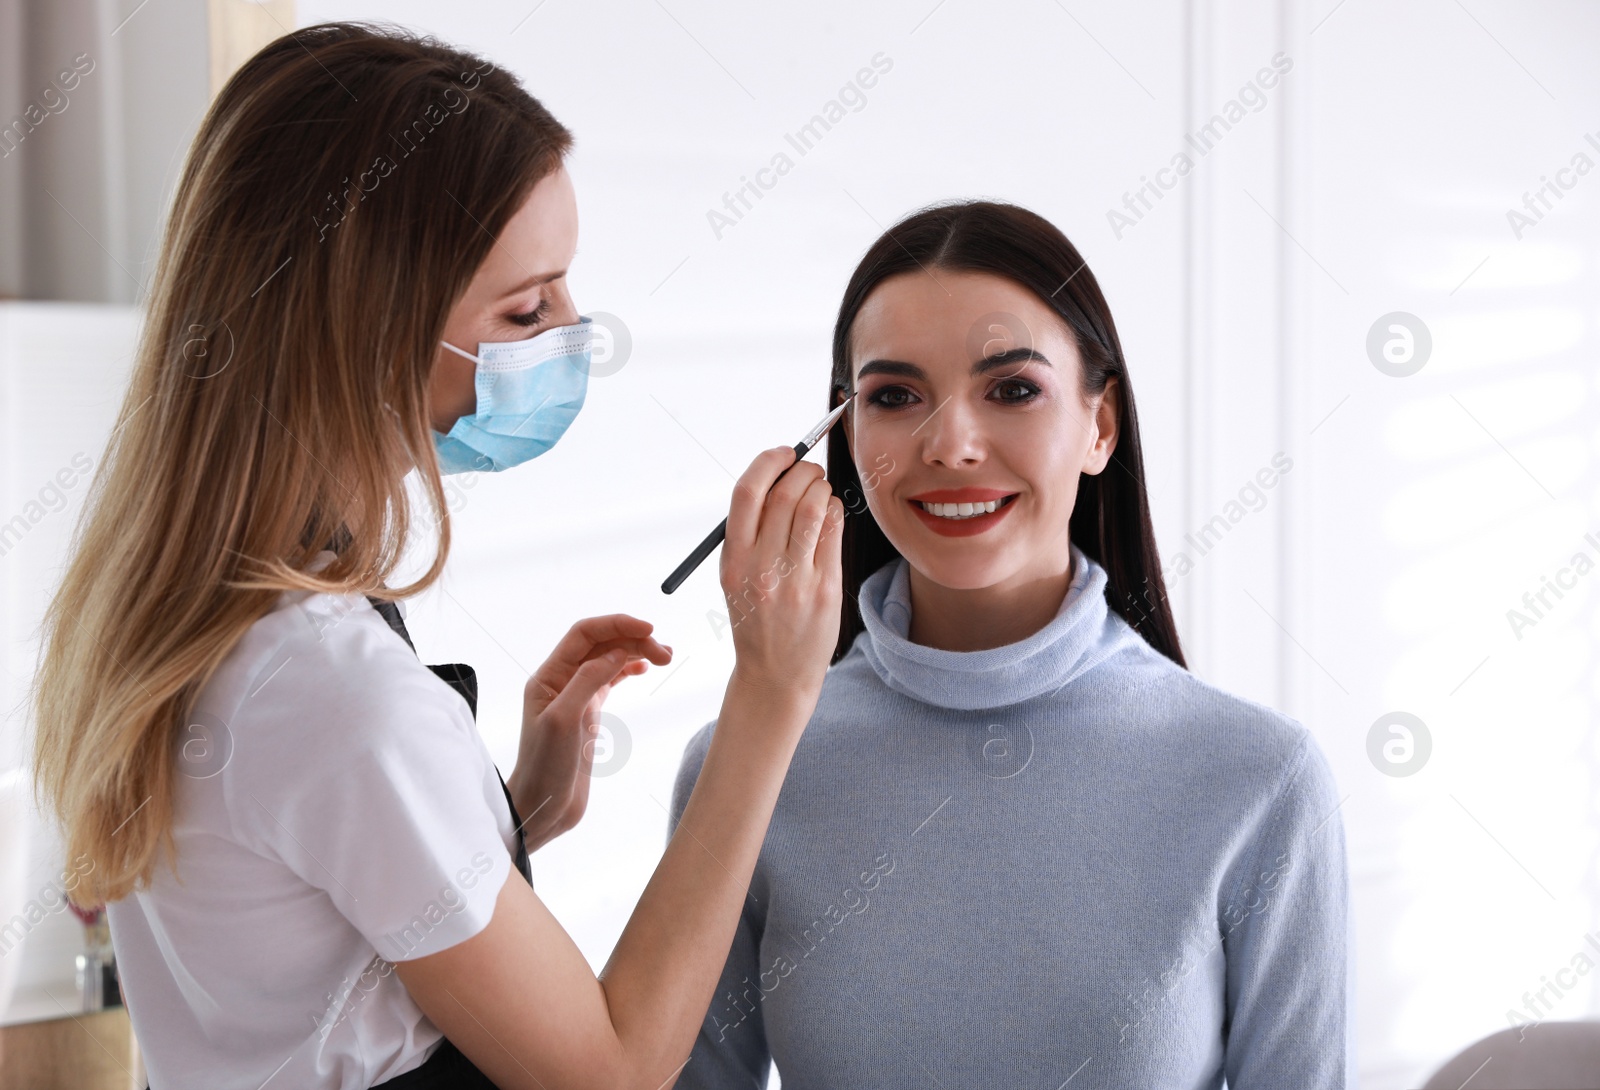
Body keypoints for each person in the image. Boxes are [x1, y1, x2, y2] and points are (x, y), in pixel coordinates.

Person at [27, 21, 844, 1090]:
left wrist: (509, 811)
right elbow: (610, 1071)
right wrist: (769, 698)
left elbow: (305, 933)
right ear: (367, 326)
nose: (573, 330)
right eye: (527, 305)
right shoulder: (332, 688)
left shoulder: (196, 611)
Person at [669, 200, 1353, 1088]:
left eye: (1013, 388)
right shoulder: (742, 766)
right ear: (845, 433)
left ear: (1099, 427)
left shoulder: (1259, 778)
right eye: (894, 396)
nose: (949, 444)